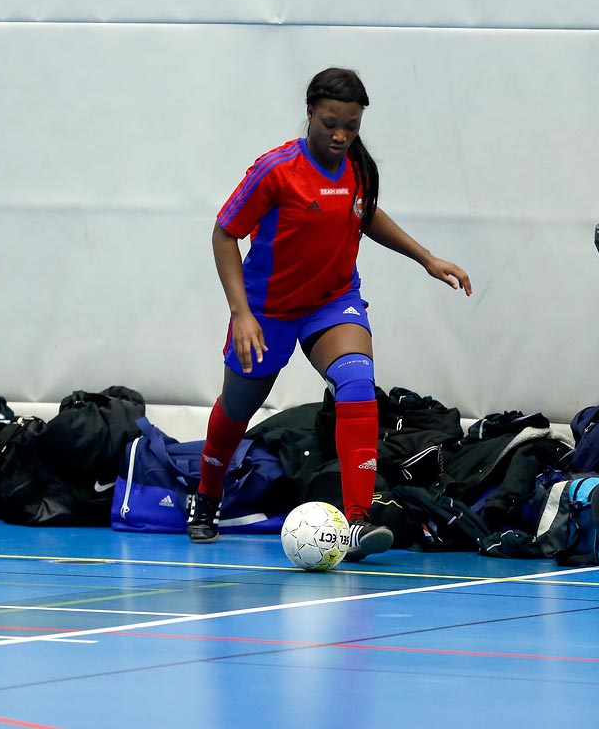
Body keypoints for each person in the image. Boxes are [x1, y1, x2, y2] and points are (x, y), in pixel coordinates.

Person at [188, 67, 472, 561]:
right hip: (266, 312)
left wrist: (426, 258)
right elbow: (224, 232)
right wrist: (241, 314)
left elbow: (366, 214)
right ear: (309, 114)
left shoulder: (358, 168)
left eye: (352, 126)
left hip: (331, 301)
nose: (340, 136)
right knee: (237, 408)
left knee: (358, 381)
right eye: (330, 124)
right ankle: (207, 496)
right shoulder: (276, 171)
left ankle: (357, 521)